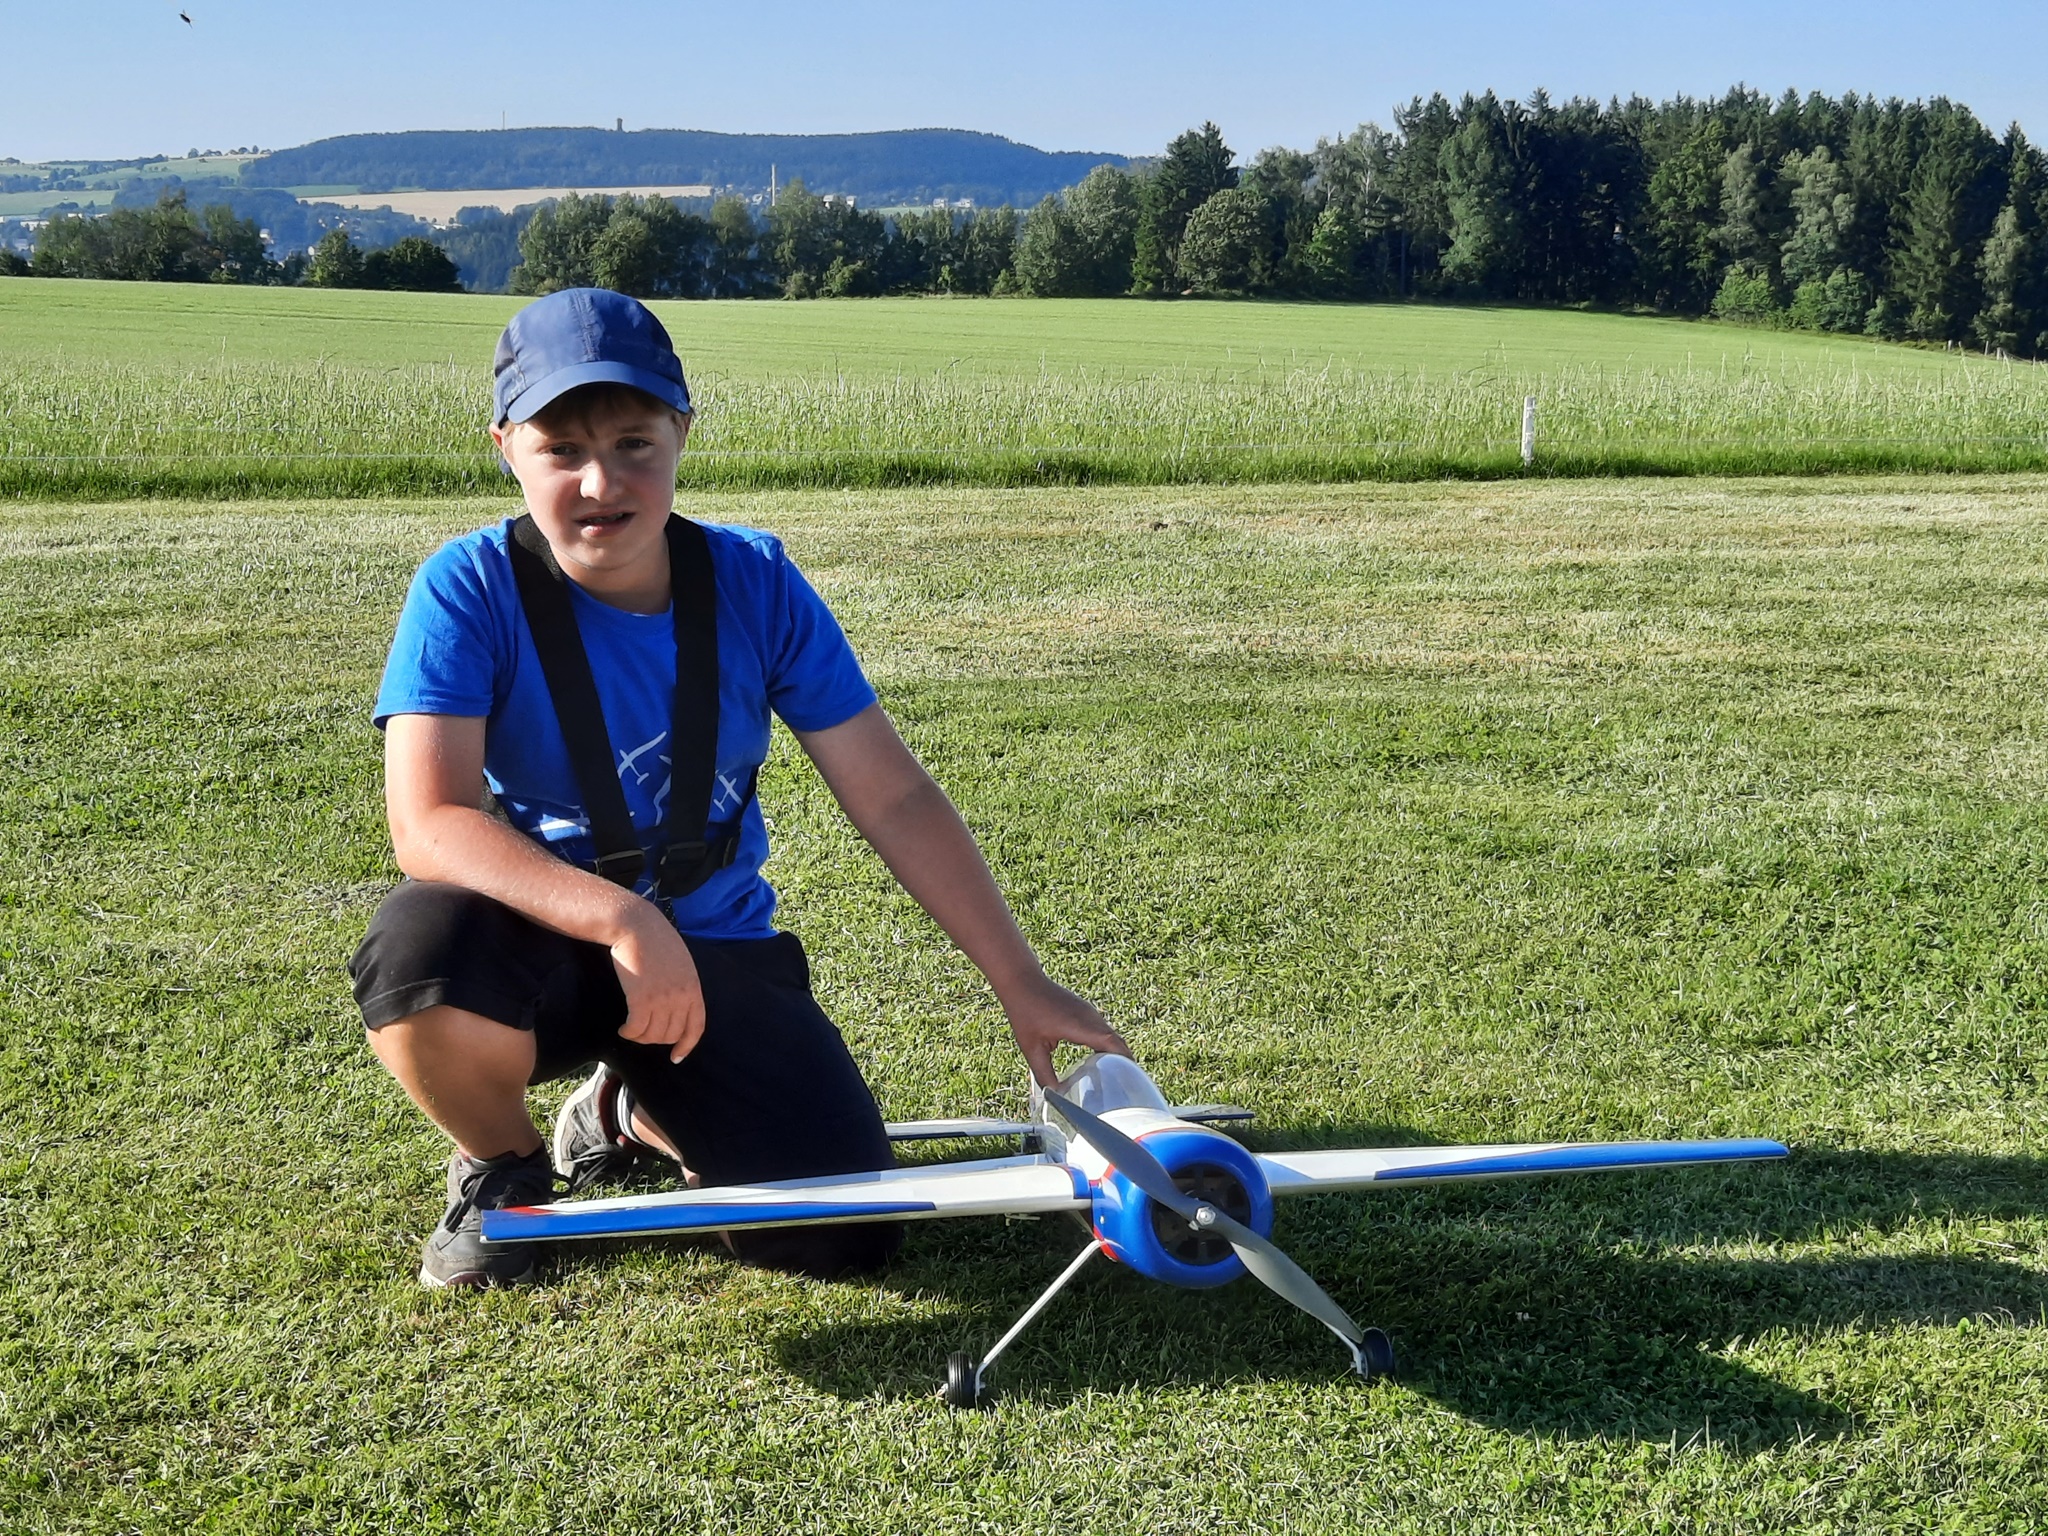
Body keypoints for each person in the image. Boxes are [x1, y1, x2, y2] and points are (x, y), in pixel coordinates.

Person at [349, 288, 1128, 1289]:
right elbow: (430, 821)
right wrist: (625, 920)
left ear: (682, 431)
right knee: (419, 952)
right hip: (539, 947)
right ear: (507, 449)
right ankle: (501, 1163)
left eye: (634, 443)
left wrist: (1019, 981)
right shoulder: (468, 586)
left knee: (840, 1238)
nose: (600, 481)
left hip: (716, 952)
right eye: (561, 450)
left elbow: (890, 796)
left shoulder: (753, 580)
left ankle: (624, 1112)